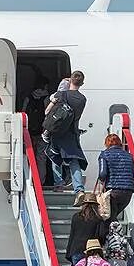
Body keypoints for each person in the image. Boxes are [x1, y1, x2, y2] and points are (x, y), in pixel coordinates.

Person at [45, 71, 87, 201]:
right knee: (74, 161)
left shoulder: (61, 94)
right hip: (72, 133)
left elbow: (47, 111)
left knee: (55, 158)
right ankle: (79, 189)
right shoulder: (82, 99)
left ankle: (59, 184)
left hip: (57, 133)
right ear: (82, 83)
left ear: (70, 81)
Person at [97, 133, 134, 221]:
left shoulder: (104, 155)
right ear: (119, 143)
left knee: (108, 218)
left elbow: (102, 174)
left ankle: (110, 234)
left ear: (107, 143)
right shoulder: (129, 156)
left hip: (113, 192)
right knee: (112, 217)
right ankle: (114, 233)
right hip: (127, 193)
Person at [65, 193, 105, 266]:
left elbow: (72, 235)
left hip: (75, 250)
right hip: (91, 251)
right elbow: (101, 236)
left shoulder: (76, 217)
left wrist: (68, 252)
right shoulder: (98, 219)